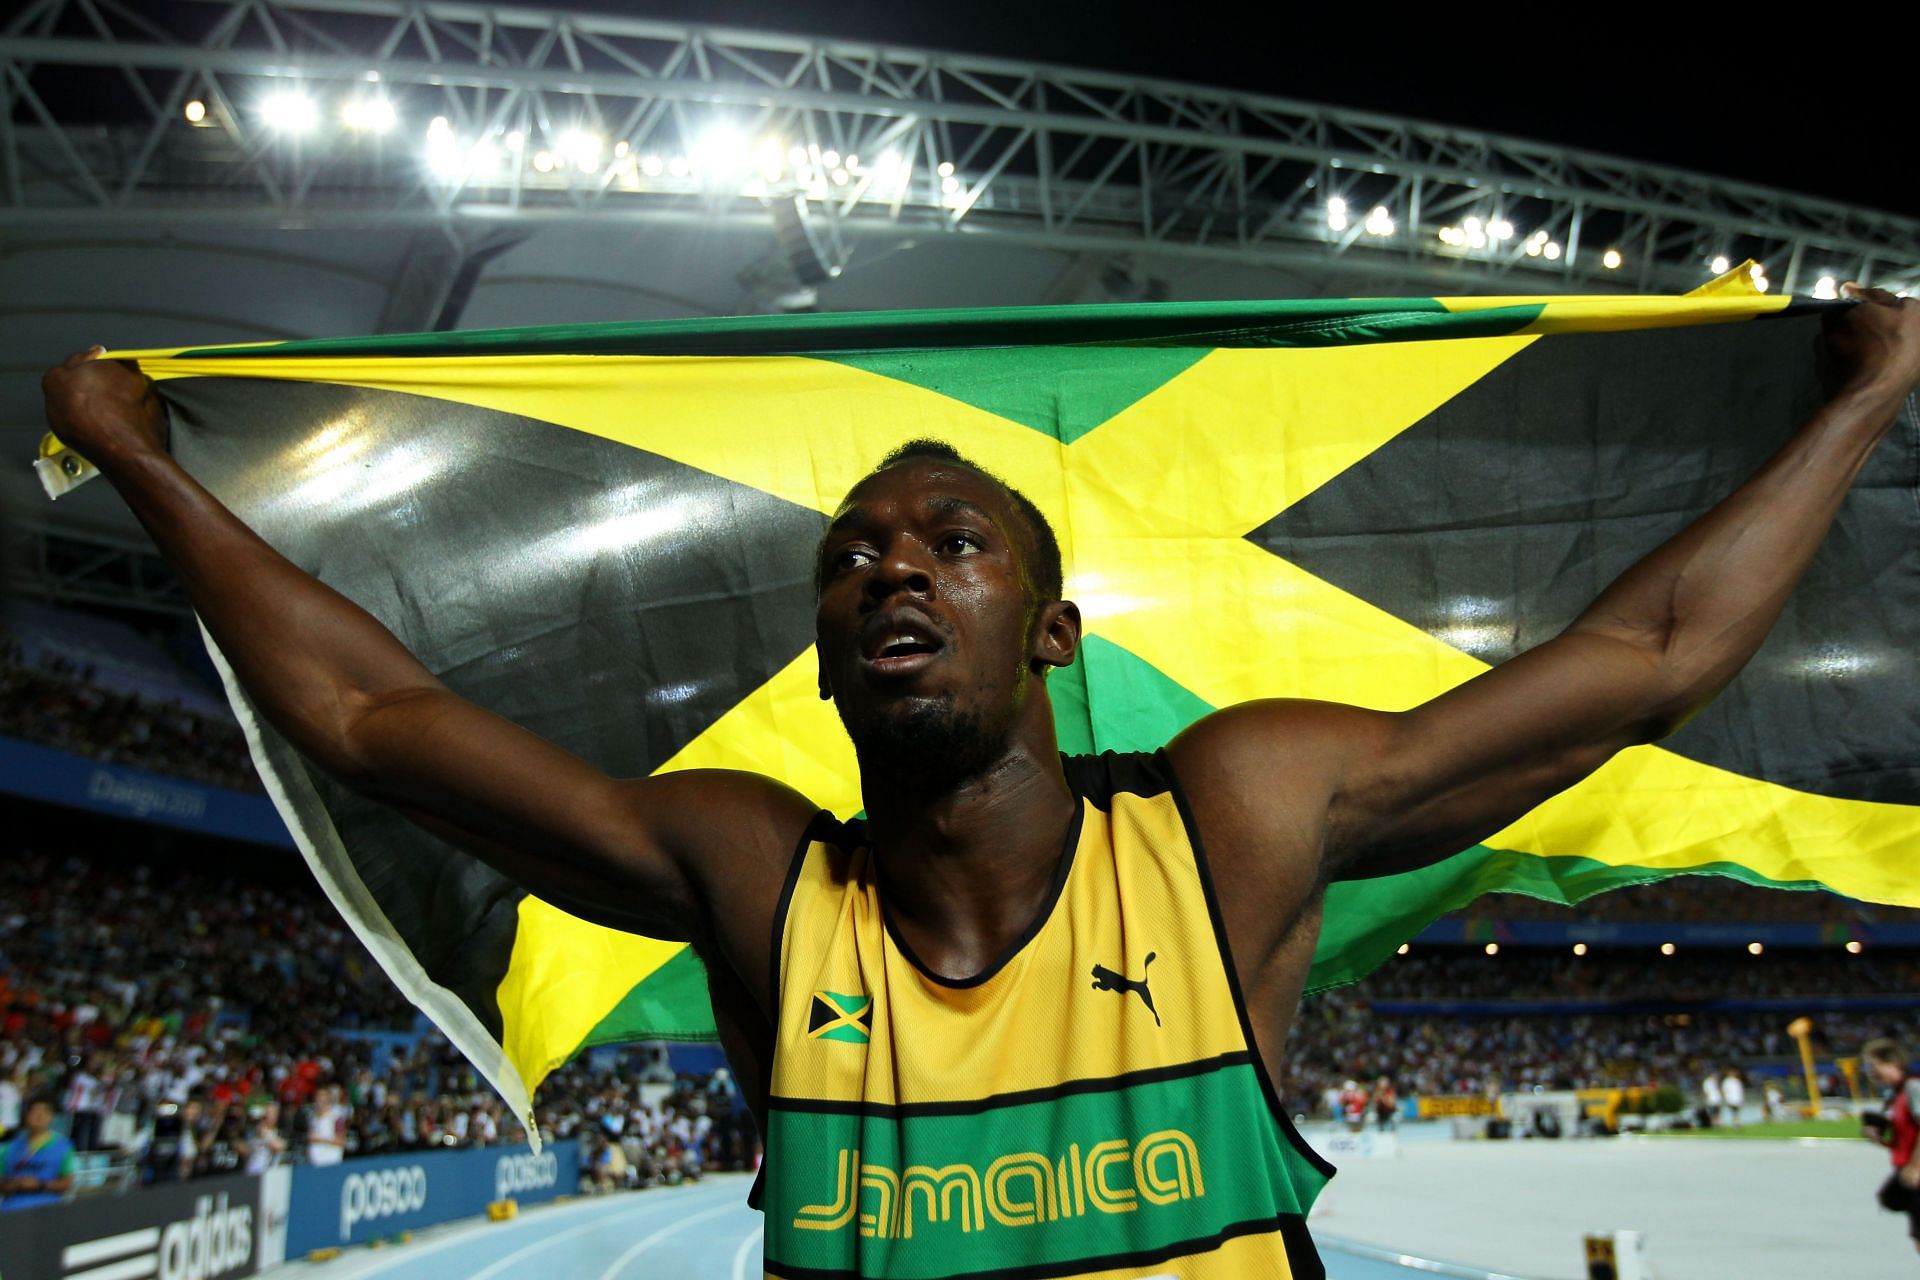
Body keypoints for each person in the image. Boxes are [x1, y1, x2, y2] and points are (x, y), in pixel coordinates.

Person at [38, 289, 1920, 1278]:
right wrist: (141, 460)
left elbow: (1645, 663)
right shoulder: (758, 872)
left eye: (953, 542)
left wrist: (1855, 402)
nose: (892, 567)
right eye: (854, 554)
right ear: (832, 646)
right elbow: (371, 723)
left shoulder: (1228, 823)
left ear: (1053, 629)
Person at [1861, 1039, 1920, 1256]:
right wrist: (1879, 1138)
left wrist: (1915, 1166)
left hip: (1915, 1171)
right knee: (1890, 1198)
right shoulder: (1894, 1095)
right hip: (1908, 1170)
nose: (1870, 1072)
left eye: (1873, 1065)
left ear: (1892, 1062)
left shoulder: (1913, 1087)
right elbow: (1904, 1140)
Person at [1, 1094, 76, 1210]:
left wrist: (40, 1185)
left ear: (51, 1117)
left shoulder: (64, 1147)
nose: (39, 1116)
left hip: (47, 1211)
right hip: (12, 1210)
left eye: (45, 1112)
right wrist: (15, 1185)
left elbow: (67, 1183)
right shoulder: (8, 1148)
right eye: (35, 1112)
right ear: (26, 1116)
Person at [305, 1085, 347, 1168]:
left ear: (328, 1099)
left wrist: (320, 1139)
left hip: (330, 1162)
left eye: (322, 1097)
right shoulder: (312, 1117)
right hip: (314, 1163)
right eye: (318, 1097)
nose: (319, 1100)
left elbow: (341, 1141)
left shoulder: (336, 1117)